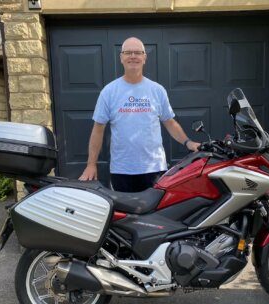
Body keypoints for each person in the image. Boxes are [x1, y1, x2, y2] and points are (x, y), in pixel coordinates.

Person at [79, 37, 200, 192]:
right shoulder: (109, 92)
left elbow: (169, 122)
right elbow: (98, 129)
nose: (133, 56)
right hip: (121, 170)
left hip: (154, 169)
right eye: (128, 52)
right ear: (121, 57)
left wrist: (188, 142)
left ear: (144, 57)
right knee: (124, 215)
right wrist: (91, 164)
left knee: (154, 214)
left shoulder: (157, 90)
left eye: (137, 52)